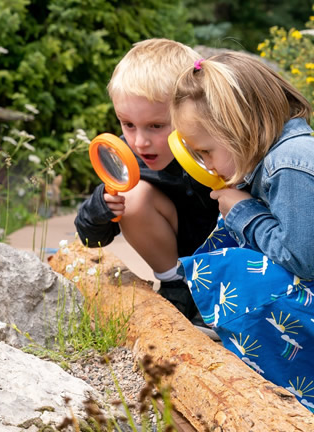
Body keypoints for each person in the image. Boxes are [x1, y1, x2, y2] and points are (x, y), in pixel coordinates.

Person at [170, 52, 314, 416]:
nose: (207, 165)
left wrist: (243, 210)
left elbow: (301, 263)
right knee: (232, 237)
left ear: (240, 128)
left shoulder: (293, 164)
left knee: (243, 270)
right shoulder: (280, 158)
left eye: (206, 151)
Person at [74, 39, 220, 320]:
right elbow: (92, 239)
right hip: (178, 254)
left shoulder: (217, 148)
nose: (140, 141)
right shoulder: (124, 157)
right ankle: (178, 287)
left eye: (156, 126)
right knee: (132, 197)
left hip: (229, 256)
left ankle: (221, 294)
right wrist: (103, 208)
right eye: (128, 124)